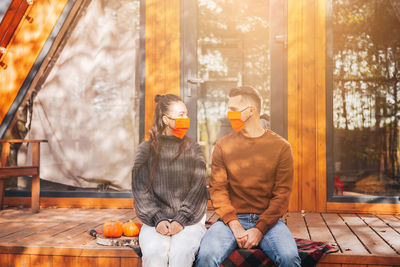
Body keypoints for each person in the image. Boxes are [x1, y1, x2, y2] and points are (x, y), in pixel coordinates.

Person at [196, 86, 301, 267]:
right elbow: (218, 190)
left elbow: (282, 196)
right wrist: (234, 224)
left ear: (252, 111)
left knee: (289, 257)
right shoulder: (223, 146)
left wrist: (259, 229)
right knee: (205, 256)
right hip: (231, 221)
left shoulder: (281, 147)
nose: (228, 114)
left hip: (269, 222)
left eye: (233, 110)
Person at [132, 94, 208, 267]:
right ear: (166, 119)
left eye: (186, 114)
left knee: (181, 254)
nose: (186, 118)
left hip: (190, 221)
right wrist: (158, 219)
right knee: (154, 255)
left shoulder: (194, 149)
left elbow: (198, 190)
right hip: (154, 222)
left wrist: (181, 219)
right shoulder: (145, 150)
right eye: (181, 115)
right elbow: (140, 190)